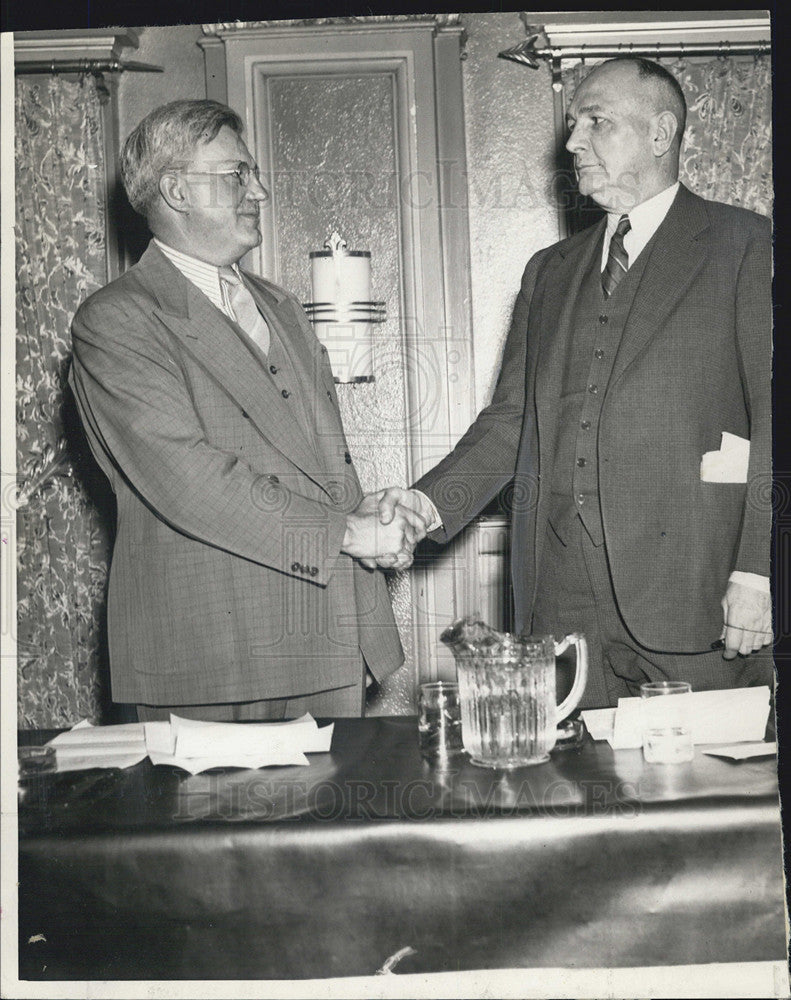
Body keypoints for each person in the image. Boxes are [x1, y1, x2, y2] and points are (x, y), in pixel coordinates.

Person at [378, 57, 773, 707]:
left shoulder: (745, 246)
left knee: (706, 801)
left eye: (596, 122)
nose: (570, 143)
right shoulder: (548, 272)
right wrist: (425, 507)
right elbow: (509, 422)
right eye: (571, 125)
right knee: (571, 797)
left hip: (698, 603)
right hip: (562, 612)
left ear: (659, 134)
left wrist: (758, 573)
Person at [69, 99, 423, 722]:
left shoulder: (281, 306)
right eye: (237, 174)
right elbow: (189, 481)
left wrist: (365, 518)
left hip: (331, 642)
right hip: (214, 665)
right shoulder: (118, 320)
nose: (258, 189)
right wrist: (348, 533)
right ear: (176, 190)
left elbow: (309, 460)